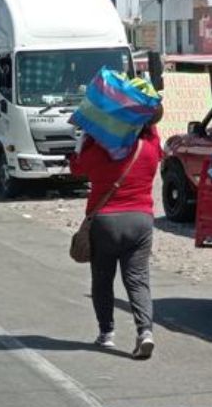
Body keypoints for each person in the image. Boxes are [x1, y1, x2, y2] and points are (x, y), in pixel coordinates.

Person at [69, 105, 164, 360]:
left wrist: (89, 133)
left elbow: (77, 168)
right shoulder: (149, 146)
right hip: (141, 220)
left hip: (105, 221)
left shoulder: (99, 147)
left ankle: (106, 333)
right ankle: (145, 332)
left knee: (102, 279)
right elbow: (154, 133)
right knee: (137, 279)